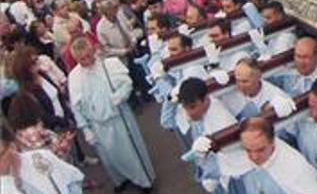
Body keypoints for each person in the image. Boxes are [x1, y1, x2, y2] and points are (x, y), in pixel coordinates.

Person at [67, 37, 155, 193]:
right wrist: (86, 129)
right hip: (97, 124)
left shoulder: (110, 64)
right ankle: (121, 179)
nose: (87, 61)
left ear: (93, 50)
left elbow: (126, 83)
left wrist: (119, 96)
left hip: (119, 117)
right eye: (82, 59)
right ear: (76, 59)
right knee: (109, 158)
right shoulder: (74, 77)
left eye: (89, 56)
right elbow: (76, 107)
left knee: (131, 153)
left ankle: (144, 181)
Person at [161, 77, 236, 193]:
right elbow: (167, 122)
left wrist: (210, 176)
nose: (189, 112)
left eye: (192, 107)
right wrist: (170, 100)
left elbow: (229, 157)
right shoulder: (196, 111)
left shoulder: (221, 121)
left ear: (206, 99)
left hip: (225, 178)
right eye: (184, 107)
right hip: (208, 170)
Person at [234, 117, 317, 194]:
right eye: (248, 150)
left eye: (260, 150)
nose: (254, 157)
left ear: (272, 142)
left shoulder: (296, 171)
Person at [221, 59, 294, 120]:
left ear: (258, 77)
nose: (240, 86)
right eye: (237, 80)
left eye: (245, 81)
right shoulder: (229, 91)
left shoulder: (276, 96)